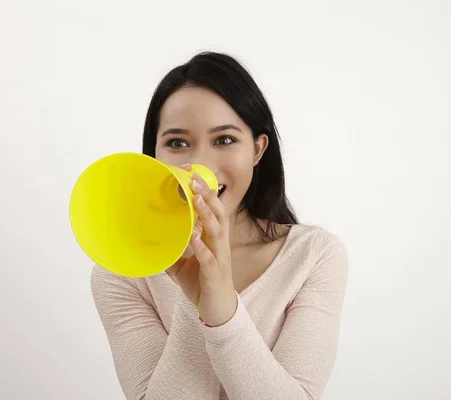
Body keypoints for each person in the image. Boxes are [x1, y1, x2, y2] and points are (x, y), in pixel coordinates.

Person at [91, 51, 349, 400]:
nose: (200, 165)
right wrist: (192, 302)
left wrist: (221, 309)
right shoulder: (121, 271)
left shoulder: (314, 256)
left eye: (224, 140)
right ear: (154, 156)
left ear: (257, 150)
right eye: (177, 143)